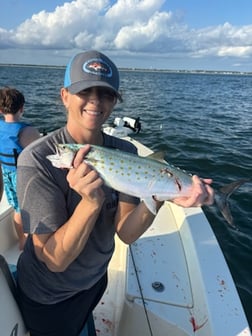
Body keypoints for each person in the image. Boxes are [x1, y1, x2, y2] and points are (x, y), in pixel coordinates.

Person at [16, 50, 214, 336]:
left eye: (106, 94)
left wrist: (159, 195)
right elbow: (53, 260)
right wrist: (91, 202)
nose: (96, 100)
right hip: (50, 297)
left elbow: (126, 233)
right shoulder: (37, 159)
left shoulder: (126, 151)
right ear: (64, 96)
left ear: (115, 101)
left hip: (96, 280)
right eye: (85, 90)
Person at [0, 87, 40, 250]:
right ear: (22, 108)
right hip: (23, 177)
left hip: (6, 174)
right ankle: (34, 242)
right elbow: (40, 156)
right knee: (32, 207)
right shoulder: (27, 131)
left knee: (17, 208)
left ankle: (22, 241)